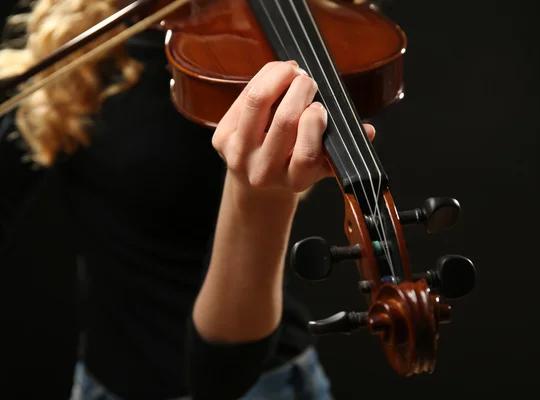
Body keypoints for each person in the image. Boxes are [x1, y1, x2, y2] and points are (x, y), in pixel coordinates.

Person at [0, 1, 377, 399]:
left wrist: (258, 196)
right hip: (103, 383)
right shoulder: (80, 34)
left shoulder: (296, 30)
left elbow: (221, 377)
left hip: (266, 384)